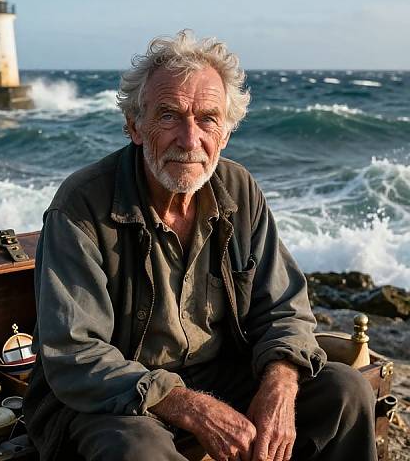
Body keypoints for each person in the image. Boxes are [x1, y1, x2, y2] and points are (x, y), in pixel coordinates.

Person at [24, 30, 377, 461]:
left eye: (207, 119)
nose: (190, 140)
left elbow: (284, 308)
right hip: (114, 395)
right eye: (169, 116)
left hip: (219, 372)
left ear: (225, 133)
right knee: (139, 449)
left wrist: (280, 382)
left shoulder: (239, 189)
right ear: (135, 125)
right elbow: (75, 353)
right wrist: (189, 405)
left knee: (345, 389)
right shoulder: (80, 206)